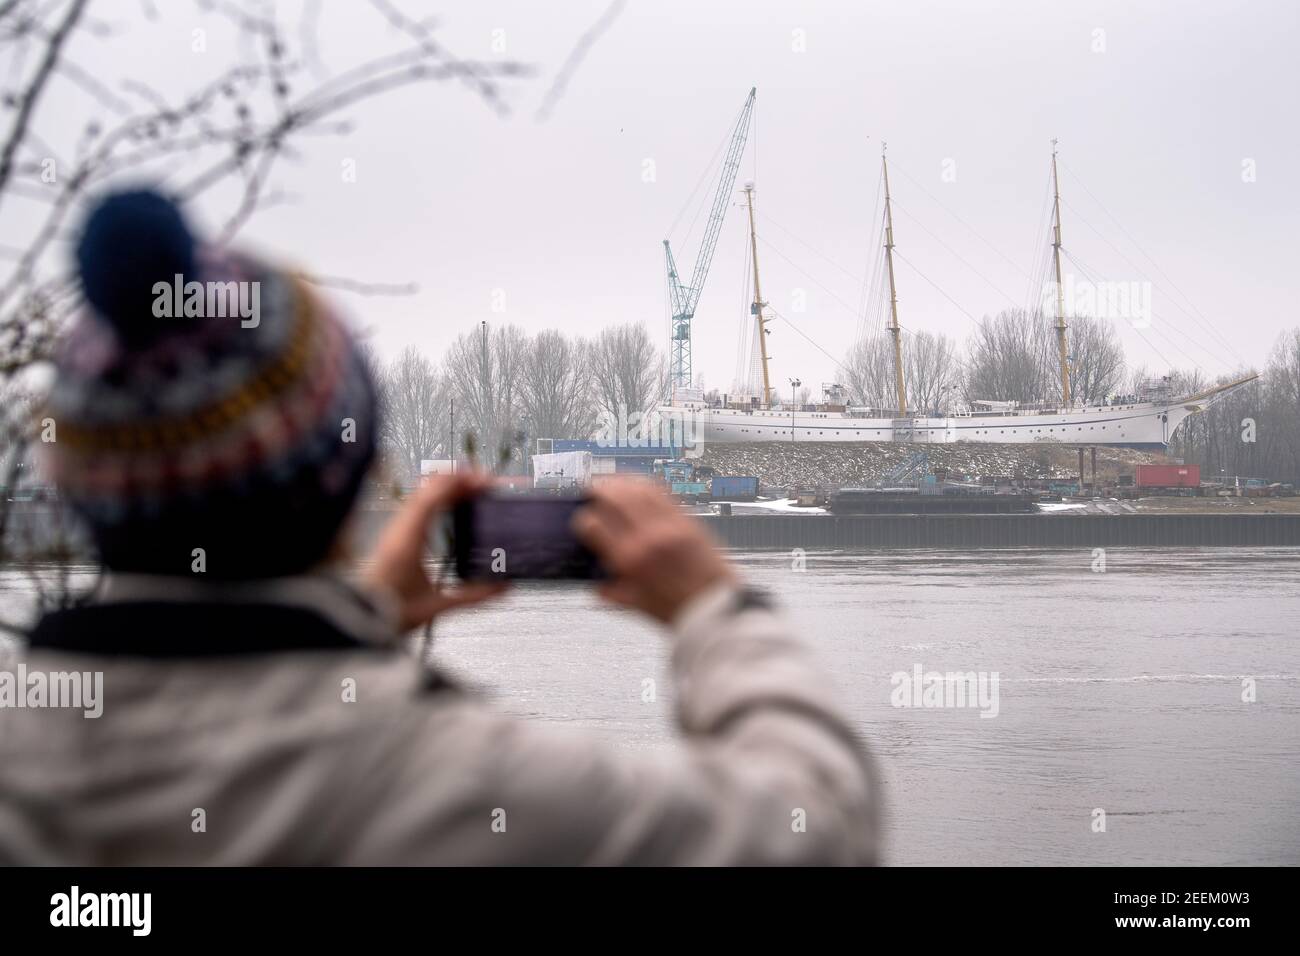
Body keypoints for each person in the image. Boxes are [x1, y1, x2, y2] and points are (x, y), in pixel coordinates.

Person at [0, 191, 877, 865]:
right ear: (346, 480)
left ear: (79, 492)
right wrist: (717, 611)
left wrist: (352, 622)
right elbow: (818, 825)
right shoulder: (460, 786)